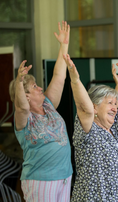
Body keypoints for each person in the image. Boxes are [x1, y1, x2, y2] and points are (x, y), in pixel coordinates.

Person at [63, 51, 118, 201]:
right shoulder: (88, 130)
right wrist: (75, 80)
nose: (115, 107)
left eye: (115, 103)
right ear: (94, 107)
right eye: (109, 103)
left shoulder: (116, 126)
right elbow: (83, 108)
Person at [8, 21, 73, 202]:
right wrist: (20, 81)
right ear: (26, 95)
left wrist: (64, 45)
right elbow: (21, 106)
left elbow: (60, 75)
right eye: (34, 86)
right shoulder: (24, 118)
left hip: (65, 176)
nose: (39, 88)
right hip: (40, 180)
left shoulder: (48, 105)